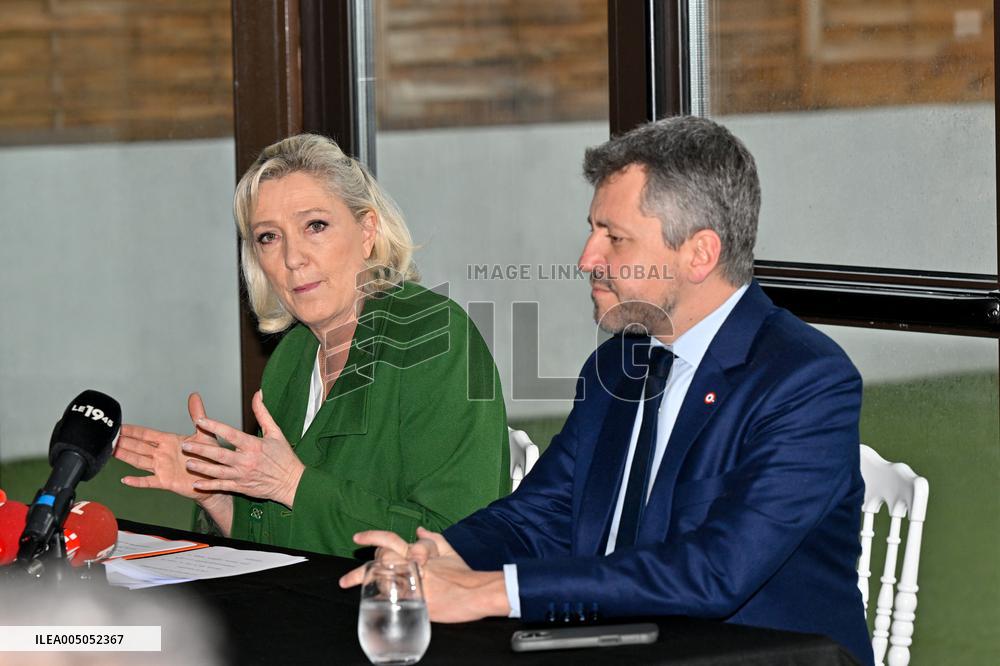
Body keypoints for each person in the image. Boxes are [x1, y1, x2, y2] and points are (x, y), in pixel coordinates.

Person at [341, 116, 874, 666]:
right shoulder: (619, 364)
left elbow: (714, 573)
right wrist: (441, 551)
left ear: (699, 254)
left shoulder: (804, 381)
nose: (587, 258)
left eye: (614, 238)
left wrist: (490, 590)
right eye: (593, 230)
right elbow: (544, 512)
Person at [114, 134, 509, 557]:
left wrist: (291, 485)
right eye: (269, 237)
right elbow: (281, 541)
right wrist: (219, 493)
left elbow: (461, 544)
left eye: (315, 226)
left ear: (367, 232)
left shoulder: (434, 335)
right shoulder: (293, 357)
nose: (292, 257)